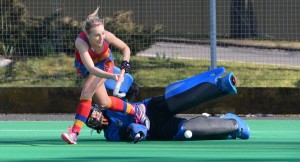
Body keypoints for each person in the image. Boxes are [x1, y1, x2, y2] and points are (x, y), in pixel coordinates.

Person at [85, 67, 251, 143]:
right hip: (157, 129)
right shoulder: (110, 134)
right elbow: (124, 133)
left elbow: (132, 88)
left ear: (96, 108)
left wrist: (118, 77)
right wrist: (136, 130)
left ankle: (220, 85)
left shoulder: (109, 103)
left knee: (180, 99)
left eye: (92, 113)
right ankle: (232, 124)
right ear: (93, 126)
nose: (94, 117)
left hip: (151, 107)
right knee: (188, 131)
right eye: (90, 120)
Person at [61, 7, 149, 145]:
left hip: (105, 62)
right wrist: (112, 77)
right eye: (97, 35)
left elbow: (125, 48)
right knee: (104, 103)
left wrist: (124, 65)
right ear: (88, 35)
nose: (102, 38)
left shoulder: (106, 36)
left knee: (87, 91)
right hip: (88, 67)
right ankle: (136, 110)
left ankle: (74, 133)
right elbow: (91, 68)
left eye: (103, 33)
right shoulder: (81, 42)